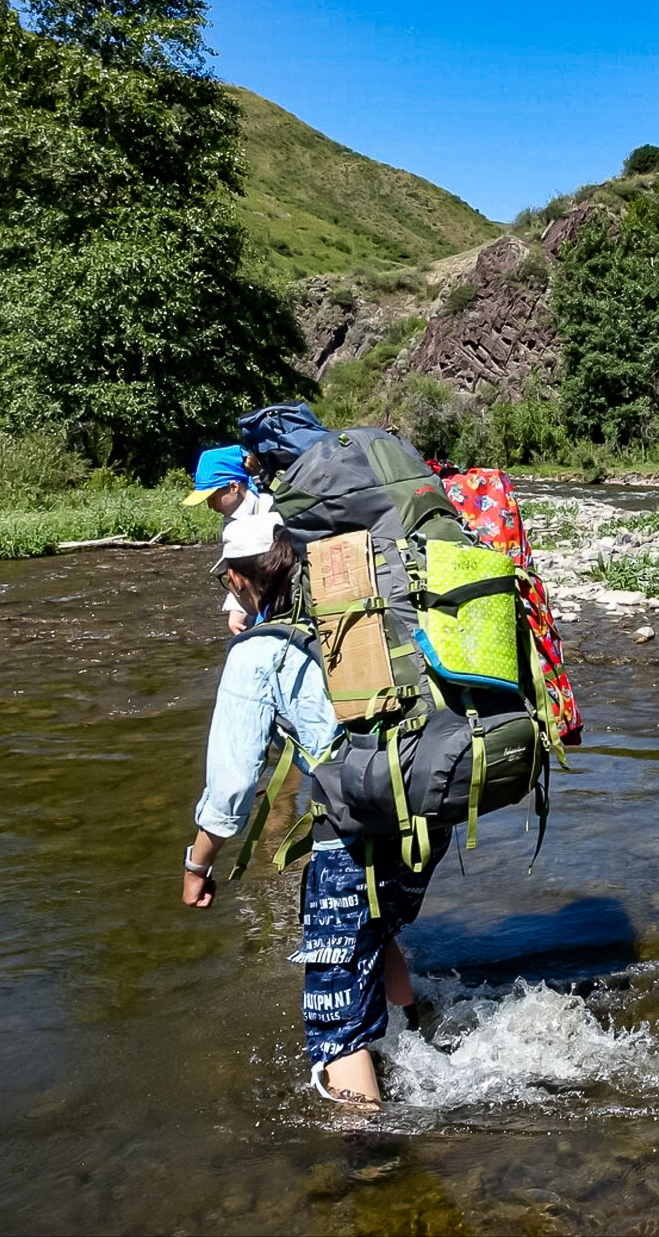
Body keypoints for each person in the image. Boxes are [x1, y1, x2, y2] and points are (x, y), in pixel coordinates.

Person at [179, 511, 435, 1110]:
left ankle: (370, 1148)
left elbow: (231, 788)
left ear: (239, 579)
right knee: (374, 932)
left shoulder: (257, 653)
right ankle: (422, 1045)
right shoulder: (361, 616)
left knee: (335, 1015)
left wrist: (197, 866)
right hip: (422, 808)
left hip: (352, 829)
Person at [185, 445, 275, 635]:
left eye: (212, 498)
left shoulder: (269, 510)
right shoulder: (232, 520)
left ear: (234, 487)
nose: (210, 506)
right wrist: (236, 612)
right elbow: (239, 573)